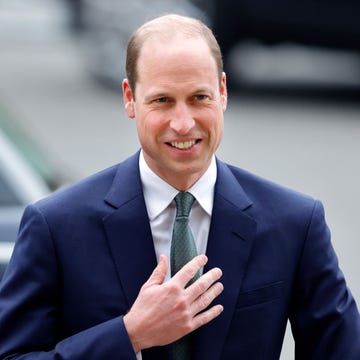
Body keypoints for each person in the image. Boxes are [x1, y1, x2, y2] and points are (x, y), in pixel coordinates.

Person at [0, 13, 359, 360]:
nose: (184, 124)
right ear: (129, 98)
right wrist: (129, 335)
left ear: (222, 92)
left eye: (199, 98)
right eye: (162, 100)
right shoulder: (56, 226)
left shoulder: (294, 223)